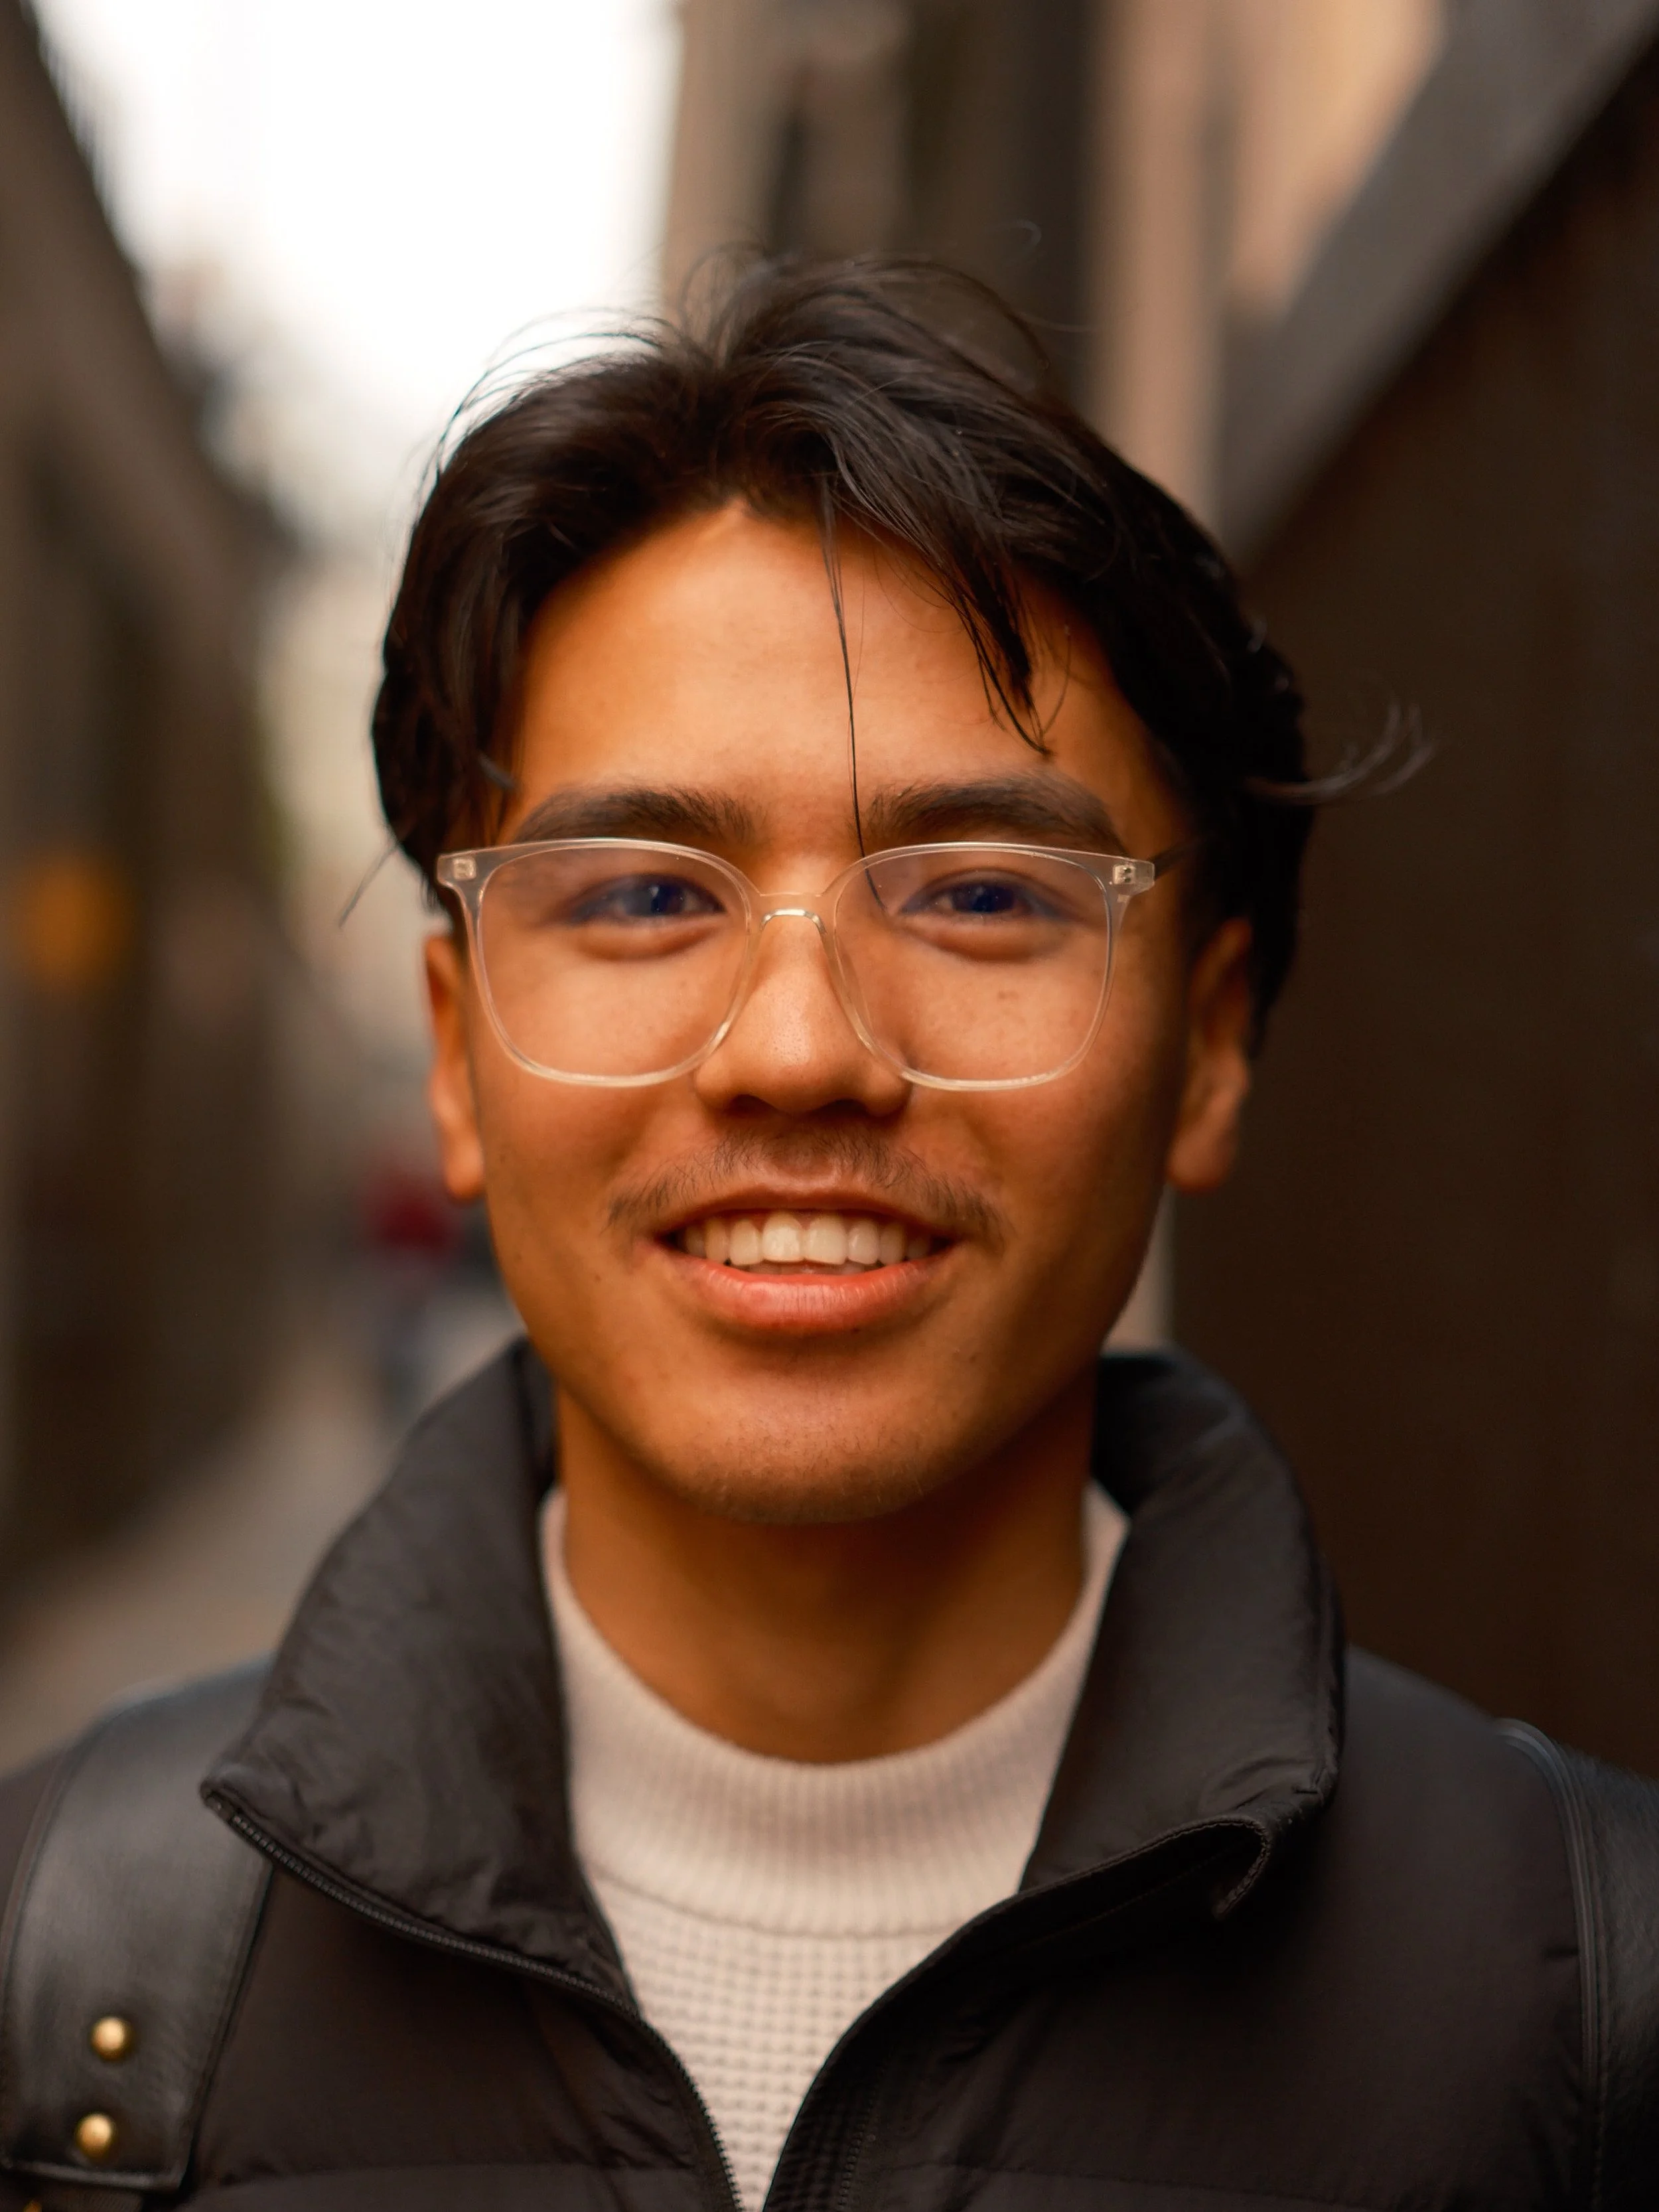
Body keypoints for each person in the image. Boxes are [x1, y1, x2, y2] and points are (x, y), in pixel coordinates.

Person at [1, 258, 1654, 2212]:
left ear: (1208, 1049)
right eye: (642, 898)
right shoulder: (64, 1970)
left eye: (978, 895)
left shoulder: (1579, 2006)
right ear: (453, 1054)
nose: (798, 1052)